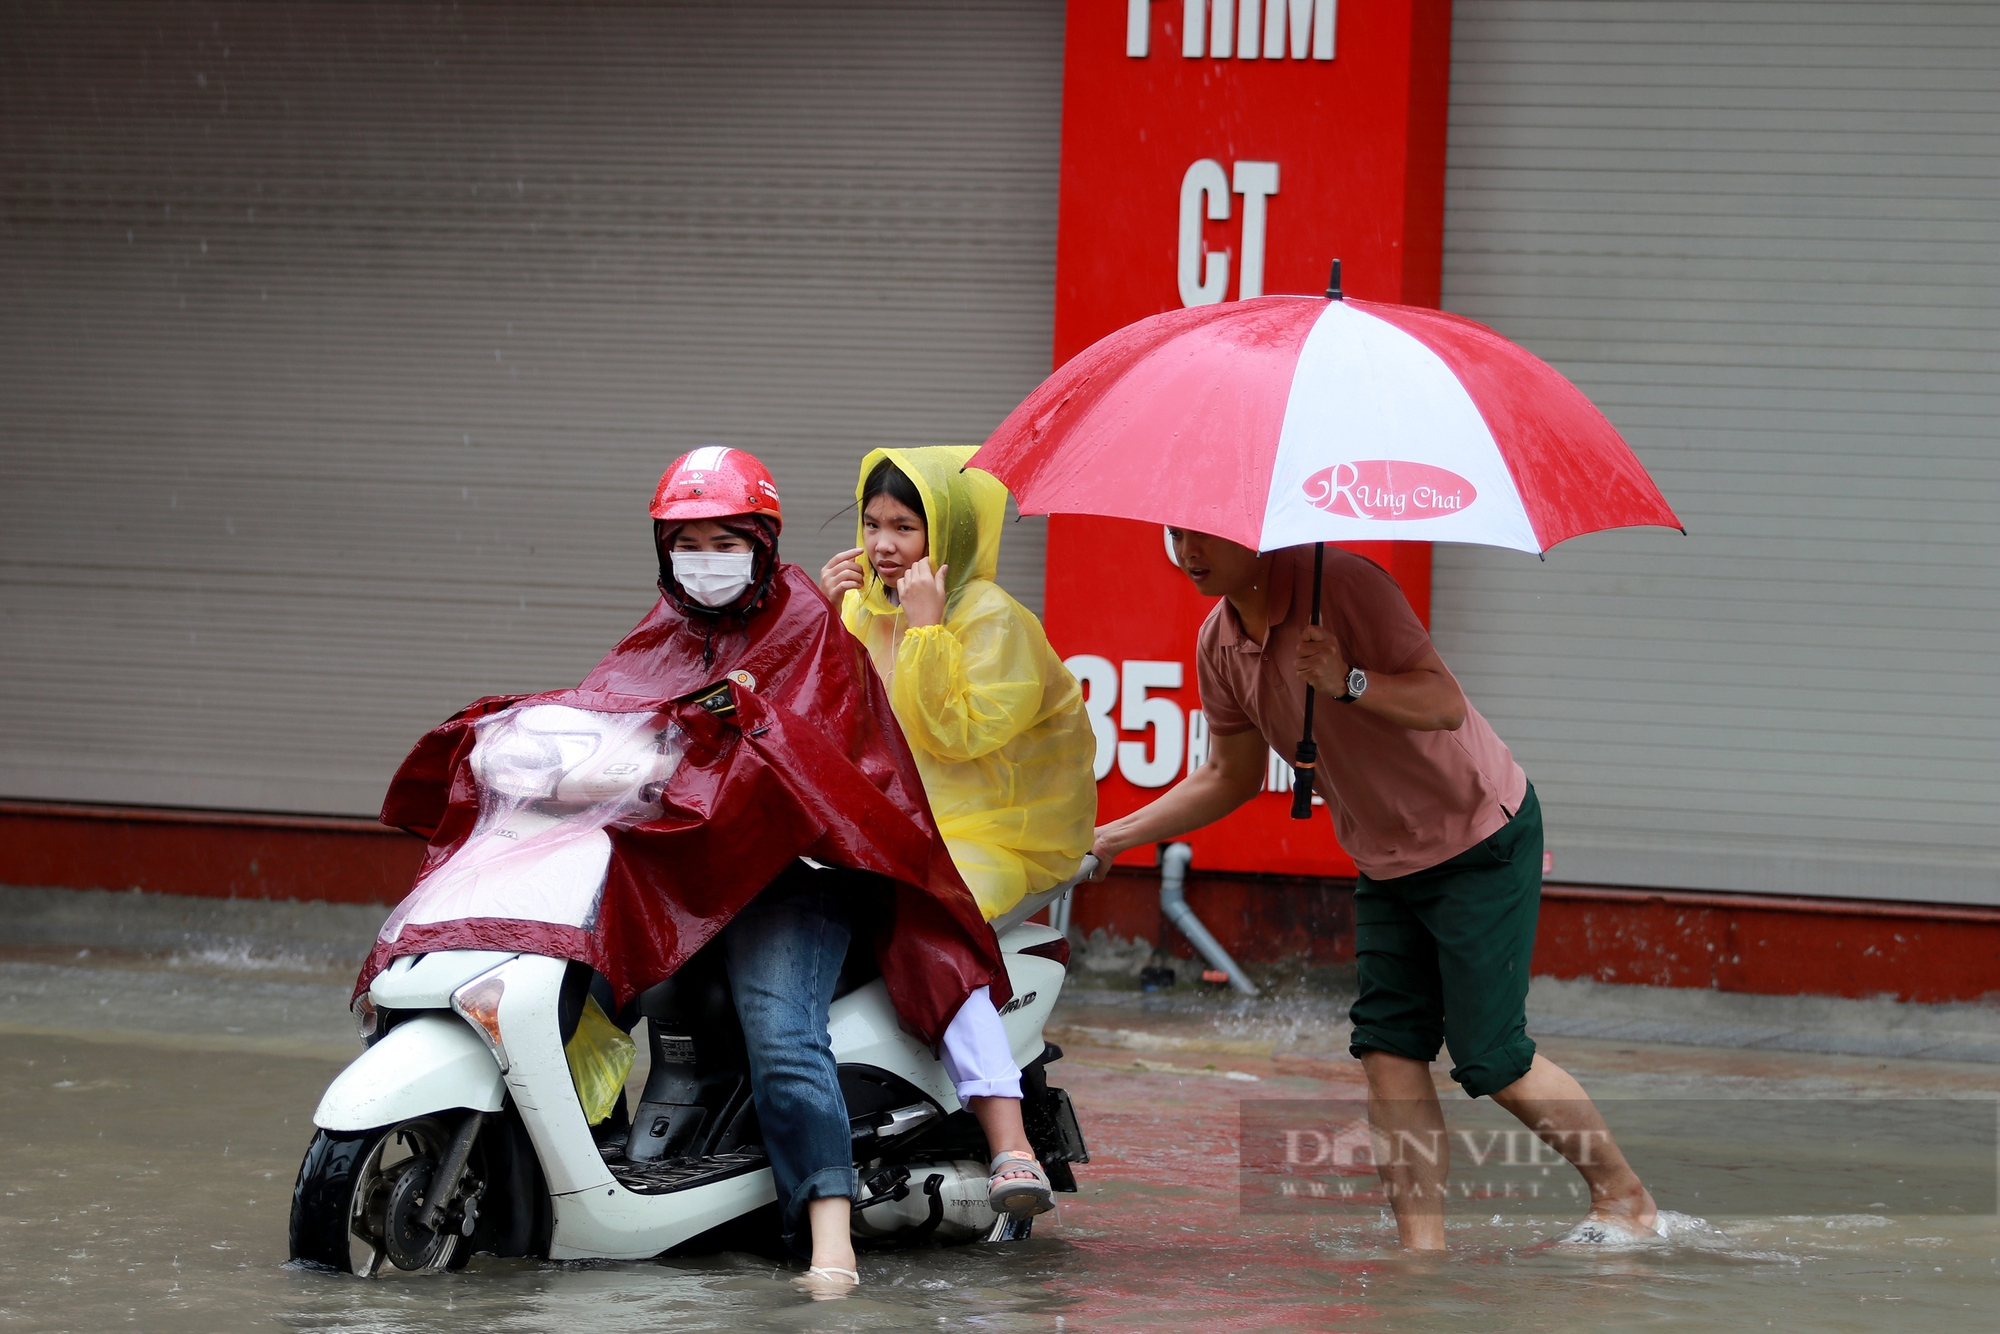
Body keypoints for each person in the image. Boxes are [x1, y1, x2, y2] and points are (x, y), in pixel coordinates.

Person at [369, 447, 1011, 1291]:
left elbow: (819, 767)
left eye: (724, 541)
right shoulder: (664, 630)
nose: (705, 561)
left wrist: (739, 751)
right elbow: (615, 713)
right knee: (577, 983)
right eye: (687, 543)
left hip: (792, 874)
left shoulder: (808, 623)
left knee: (781, 1032)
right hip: (681, 869)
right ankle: (591, 1162)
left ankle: (829, 1242)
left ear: (761, 540)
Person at [1086, 529, 1658, 1250]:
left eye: (1203, 534)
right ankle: (1424, 1253)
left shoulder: (1347, 586)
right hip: (1385, 860)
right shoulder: (1218, 641)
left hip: (1476, 836)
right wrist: (1115, 835)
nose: (1187, 549)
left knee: (1490, 1056)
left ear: (1254, 532)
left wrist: (1349, 681)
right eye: (1175, 534)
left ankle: (1624, 1196)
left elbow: (1443, 703)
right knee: (1388, 1048)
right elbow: (1228, 775)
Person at [819, 445, 1097, 1221]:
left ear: (951, 537)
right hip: (895, 826)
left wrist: (927, 629)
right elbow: (827, 722)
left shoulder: (996, 623)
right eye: (873, 525)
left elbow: (955, 737)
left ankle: (1009, 1141)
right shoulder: (863, 607)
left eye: (905, 527)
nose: (882, 546)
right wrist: (817, 615)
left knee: (921, 917)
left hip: (1001, 839)